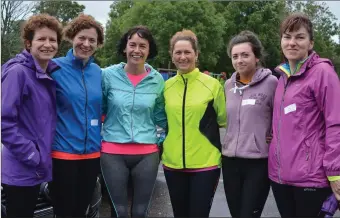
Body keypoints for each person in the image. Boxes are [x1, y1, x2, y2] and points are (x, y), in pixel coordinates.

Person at [268, 12, 340, 217]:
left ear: (310, 43)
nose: (292, 42)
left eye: (299, 37)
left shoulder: (323, 73)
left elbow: (335, 124)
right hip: (280, 177)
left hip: (311, 178)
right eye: (287, 36)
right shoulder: (282, 78)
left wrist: (335, 173)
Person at [100, 25, 167, 218]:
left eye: (142, 46)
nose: (137, 50)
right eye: (132, 45)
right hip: (112, 152)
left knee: (140, 212)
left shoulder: (157, 80)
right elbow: (99, 109)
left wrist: (159, 141)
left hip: (147, 153)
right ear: (125, 48)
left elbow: (161, 116)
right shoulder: (108, 75)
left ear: (149, 50)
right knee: (118, 211)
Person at [1, 14, 62, 218]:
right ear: (29, 43)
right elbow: (3, 122)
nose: (47, 44)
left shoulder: (45, 74)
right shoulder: (18, 73)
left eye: (52, 40)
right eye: (41, 39)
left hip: (35, 168)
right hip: (20, 168)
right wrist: (31, 154)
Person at [162, 29, 226, 217]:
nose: (183, 57)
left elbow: (223, 119)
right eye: (178, 52)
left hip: (206, 164)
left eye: (187, 52)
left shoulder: (212, 84)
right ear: (172, 55)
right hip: (172, 164)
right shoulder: (166, 87)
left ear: (196, 54)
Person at [49, 14, 104, 217]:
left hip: (92, 154)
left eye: (92, 40)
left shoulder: (98, 72)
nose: (86, 44)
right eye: (82, 38)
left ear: (98, 44)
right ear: (72, 37)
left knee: (82, 211)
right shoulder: (54, 67)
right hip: (63, 154)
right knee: (64, 212)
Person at [222, 30, 278, 218]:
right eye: (235, 56)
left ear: (256, 57)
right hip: (230, 160)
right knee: (236, 214)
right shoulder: (228, 86)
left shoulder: (272, 83)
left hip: (258, 163)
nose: (240, 60)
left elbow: (281, 117)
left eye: (245, 55)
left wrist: (274, 135)